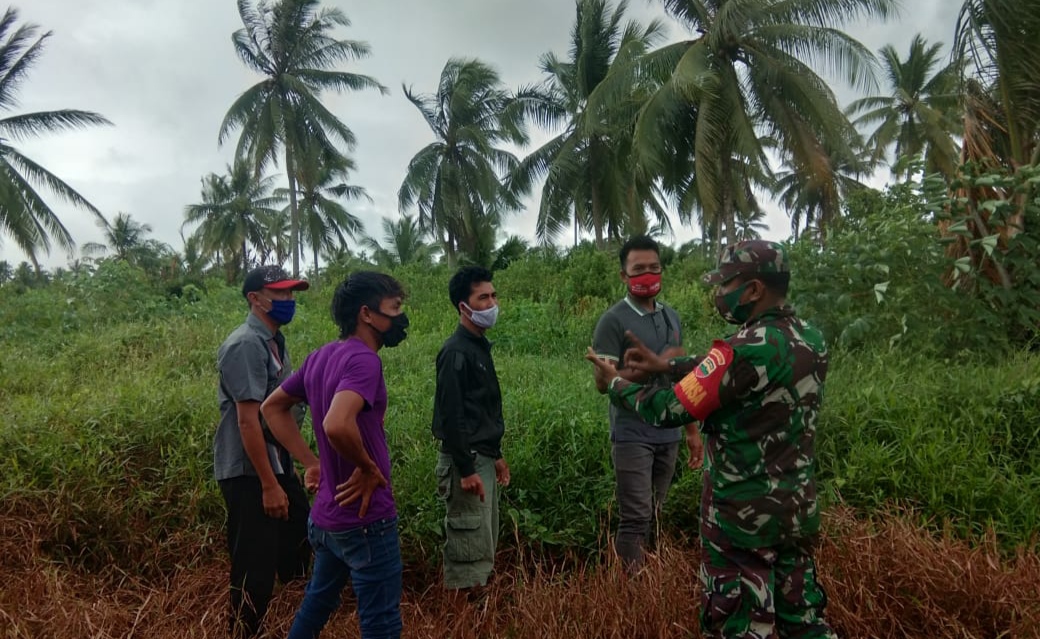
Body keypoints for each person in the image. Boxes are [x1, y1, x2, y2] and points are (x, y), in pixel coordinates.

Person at [586, 240, 836, 639]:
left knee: (742, 623)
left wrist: (616, 383)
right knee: (801, 618)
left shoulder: (739, 351)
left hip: (742, 517)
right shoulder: (810, 338)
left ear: (753, 290)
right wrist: (669, 364)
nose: (719, 294)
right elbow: (730, 371)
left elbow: (669, 408)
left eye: (726, 284)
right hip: (796, 508)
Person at [262, 271, 408, 639]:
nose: (400, 319)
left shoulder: (321, 356)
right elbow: (337, 424)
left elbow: (271, 408)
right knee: (381, 623)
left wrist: (311, 462)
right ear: (367, 314)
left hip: (327, 519)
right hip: (366, 517)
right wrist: (368, 467)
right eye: (394, 309)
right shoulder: (364, 361)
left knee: (316, 605)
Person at [591, 235, 702, 572]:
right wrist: (641, 370)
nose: (648, 275)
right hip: (631, 433)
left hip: (668, 434)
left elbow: (682, 378)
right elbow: (602, 382)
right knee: (636, 515)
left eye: (654, 268)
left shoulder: (672, 317)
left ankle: (650, 580)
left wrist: (692, 432)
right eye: (638, 269)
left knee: (655, 511)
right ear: (624, 276)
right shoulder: (613, 320)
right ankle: (633, 588)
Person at [214, 264, 312, 639]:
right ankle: (244, 633)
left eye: (291, 294)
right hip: (249, 473)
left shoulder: (273, 340)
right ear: (255, 299)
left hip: (275, 466)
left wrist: (298, 463)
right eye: (280, 294)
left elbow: (280, 413)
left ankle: (291, 620)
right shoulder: (245, 345)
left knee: (301, 539)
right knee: (253, 568)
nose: (288, 301)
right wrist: (271, 486)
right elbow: (248, 421)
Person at [431, 266, 510, 591]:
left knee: (482, 541)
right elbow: (452, 416)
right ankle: (463, 619)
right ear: (464, 307)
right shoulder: (456, 352)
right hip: (467, 462)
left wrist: (496, 455)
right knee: (468, 549)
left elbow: (480, 412)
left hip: (482, 458)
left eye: (493, 295)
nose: (492, 303)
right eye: (483, 297)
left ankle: (479, 615)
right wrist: (466, 468)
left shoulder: (478, 346)